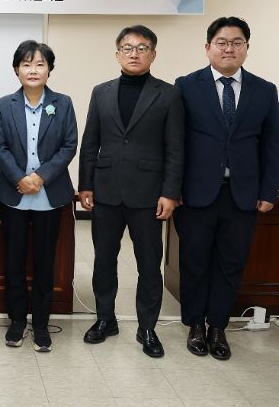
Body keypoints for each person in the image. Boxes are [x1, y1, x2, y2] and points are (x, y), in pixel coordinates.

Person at [175, 17, 279, 360]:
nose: (229, 48)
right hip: (196, 193)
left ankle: (218, 327)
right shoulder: (186, 86)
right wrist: (173, 188)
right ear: (208, 48)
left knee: (230, 263)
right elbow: (176, 143)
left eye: (237, 42)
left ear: (247, 48)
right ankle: (195, 324)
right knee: (194, 261)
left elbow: (272, 145)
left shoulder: (265, 90)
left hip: (243, 194)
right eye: (222, 42)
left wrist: (269, 191)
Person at [78, 25, 184, 358]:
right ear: (117, 54)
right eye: (127, 48)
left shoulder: (168, 94)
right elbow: (90, 141)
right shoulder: (101, 92)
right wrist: (85, 185)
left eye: (142, 48)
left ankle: (147, 327)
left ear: (153, 54)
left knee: (149, 264)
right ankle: (105, 319)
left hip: (149, 195)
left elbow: (175, 148)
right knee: (103, 261)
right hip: (106, 191)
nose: (134, 53)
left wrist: (170, 192)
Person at [0, 40, 77, 352]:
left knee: (44, 264)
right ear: (17, 69)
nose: (33, 70)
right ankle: (17, 321)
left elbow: (69, 145)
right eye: (26, 64)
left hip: (49, 195)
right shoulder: (5, 104)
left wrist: (40, 177)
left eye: (40, 64)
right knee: (13, 262)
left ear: (49, 69)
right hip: (14, 195)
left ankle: (41, 324)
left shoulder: (63, 103)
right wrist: (19, 178)